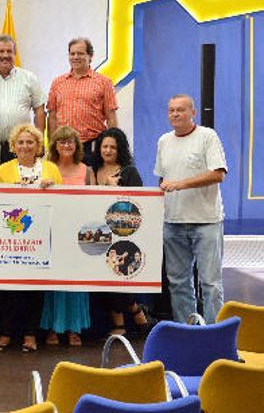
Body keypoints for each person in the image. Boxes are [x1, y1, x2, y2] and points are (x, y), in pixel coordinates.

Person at [154, 94, 227, 324]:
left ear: (193, 113)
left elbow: (218, 173)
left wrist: (181, 184)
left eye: (181, 110)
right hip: (173, 222)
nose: (175, 114)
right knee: (177, 282)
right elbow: (163, 179)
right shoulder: (164, 141)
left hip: (206, 221)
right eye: (171, 110)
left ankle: (215, 334)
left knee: (210, 283)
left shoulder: (207, 137)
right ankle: (187, 332)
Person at [0, 123, 62, 352]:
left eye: (30, 142)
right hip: (9, 238)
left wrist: (52, 188)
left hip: (40, 237)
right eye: (20, 142)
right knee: (8, 289)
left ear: (38, 145)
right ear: (13, 146)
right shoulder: (3, 170)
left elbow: (63, 201)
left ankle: (30, 334)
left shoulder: (51, 169)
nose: (25, 146)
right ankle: (5, 333)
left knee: (34, 288)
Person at [91, 127, 151, 335]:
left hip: (123, 233)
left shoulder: (129, 171)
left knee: (117, 274)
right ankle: (134, 311)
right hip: (96, 233)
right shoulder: (92, 169)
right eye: (104, 146)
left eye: (112, 147)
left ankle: (124, 323)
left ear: (120, 150)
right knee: (102, 279)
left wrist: (115, 189)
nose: (107, 150)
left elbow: (138, 203)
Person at [40, 126, 92, 346]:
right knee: (53, 283)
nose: (66, 145)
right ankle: (53, 327)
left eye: (70, 141)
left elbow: (96, 201)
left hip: (79, 232)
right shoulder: (46, 168)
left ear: (77, 145)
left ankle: (74, 328)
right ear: (54, 146)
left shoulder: (86, 170)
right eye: (61, 142)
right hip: (52, 230)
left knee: (76, 283)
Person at [0, 35, 45, 162]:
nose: (5, 55)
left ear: (15, 54)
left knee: (19, 181)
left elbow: (39, 109)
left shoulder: (29, 78)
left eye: (9, 51)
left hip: (21, 146)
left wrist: (40, 140)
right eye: (1, 51)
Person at [47, 37, 118, 163]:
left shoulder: (104, 82)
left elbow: (111, 117)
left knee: (91, 182)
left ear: (90, 56)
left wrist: (113, 145)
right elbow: (52, 116)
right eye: (72, 53)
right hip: (64, 146)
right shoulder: (57, 83)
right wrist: (52, 145)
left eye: (80, 53)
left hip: (92, 145)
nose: (75, 57)